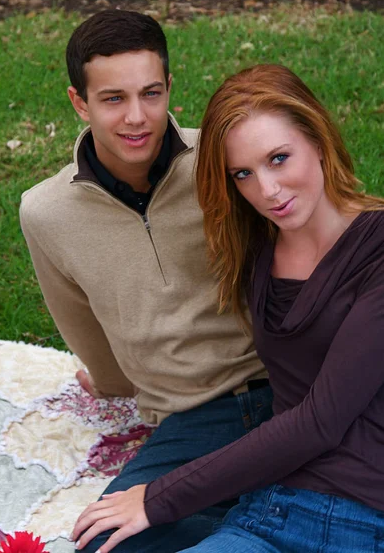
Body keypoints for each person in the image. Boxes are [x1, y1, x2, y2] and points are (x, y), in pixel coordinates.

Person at [73, 64, 384, 553]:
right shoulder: (260, 248)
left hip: (355, 516)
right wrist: (112, 374)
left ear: (319, 140)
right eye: (244, 173)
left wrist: (159, 498)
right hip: (267, 504)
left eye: (279, 159)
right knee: (105, 540)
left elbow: (321, 419)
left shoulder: (377, 248)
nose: (268, 191)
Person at [19, 11, 274, 553]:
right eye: (113, 99)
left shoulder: (226, 159)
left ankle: (267, 518)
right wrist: (109, 381)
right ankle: (265, 522)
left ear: (169, 89)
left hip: (287, 388)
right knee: (104, 542)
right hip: (192, 421)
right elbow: (82, 324)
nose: (137, 117)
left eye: (151, 93)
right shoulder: (45, 212)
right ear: (79, 103)